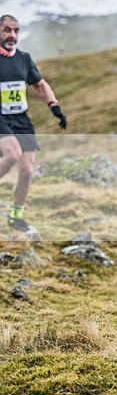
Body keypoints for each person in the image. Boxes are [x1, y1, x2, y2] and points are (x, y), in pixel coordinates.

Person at [0, 15, 67, 232]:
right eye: (7, 30)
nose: (12, 35)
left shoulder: (24, 59)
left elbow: (40, 84)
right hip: (1, 119)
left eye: (16, 31)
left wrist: (54, 106)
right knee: (12, 155)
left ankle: (16, 216)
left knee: (27, 169)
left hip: (21, 119)